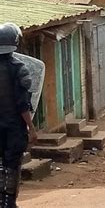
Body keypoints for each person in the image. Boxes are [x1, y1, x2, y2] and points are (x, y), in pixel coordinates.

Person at [0, 23, 37, 208]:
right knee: (12, 165)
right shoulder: (18, 68)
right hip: (14, 127)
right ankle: (8, 202)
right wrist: (31, 128)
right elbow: (23, 104)